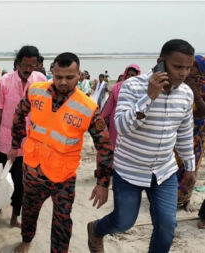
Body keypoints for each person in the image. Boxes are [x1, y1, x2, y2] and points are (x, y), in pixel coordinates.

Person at [87, 39, 197, 253]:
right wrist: (149, 97)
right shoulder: (132, 86)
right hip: (129, 170)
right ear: (161, 62)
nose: (183, 73)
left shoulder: (186, 93)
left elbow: (184, 132)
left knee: (167, 226)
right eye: (177, 66)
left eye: (188, 67)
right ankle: (97, 229)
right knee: (124, 222)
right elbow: (120, 126)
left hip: (164, 172)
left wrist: (190, 166)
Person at [10, 52, 113, 253]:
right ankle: (26, 240)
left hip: (63, 176)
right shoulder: (35, 90)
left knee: (62, 222)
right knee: (29, 211)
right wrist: (16, 144)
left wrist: (102, 183)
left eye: (69, 77)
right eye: (58, 77)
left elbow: (104, 145)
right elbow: (19, 113)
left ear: (79, 75)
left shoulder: (88, 107)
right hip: (33, 170)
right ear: (51, 73)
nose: (63, 82)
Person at [0, 45, 47, 228]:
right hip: (4, 140)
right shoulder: (5, 81)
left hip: (29, 142)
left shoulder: (41, 81)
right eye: (25, 65)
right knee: (0, 176)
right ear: (17, 63)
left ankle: (15, 214)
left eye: (33, 65)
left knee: (21, 183)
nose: (28, 69)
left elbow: (46, 111)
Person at [175, 55, 205, 211]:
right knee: (174, 164)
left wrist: (196, 93)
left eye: (193, 67)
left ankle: (183, 198)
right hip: (178, 132)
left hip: (197, 135)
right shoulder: (181, 83)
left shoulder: (202, 86)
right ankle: (170, 196)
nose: (189, 71)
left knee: (190, 166)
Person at [101, 64, 141, 147]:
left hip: (132, 118)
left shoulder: (141, 89)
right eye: (128, 74)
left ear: (137, 76)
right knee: (115, 141)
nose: (129, 77)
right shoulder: (117, 87)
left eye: (132, 75)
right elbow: (109, 105)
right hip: (116, 118)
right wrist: (102, 117)